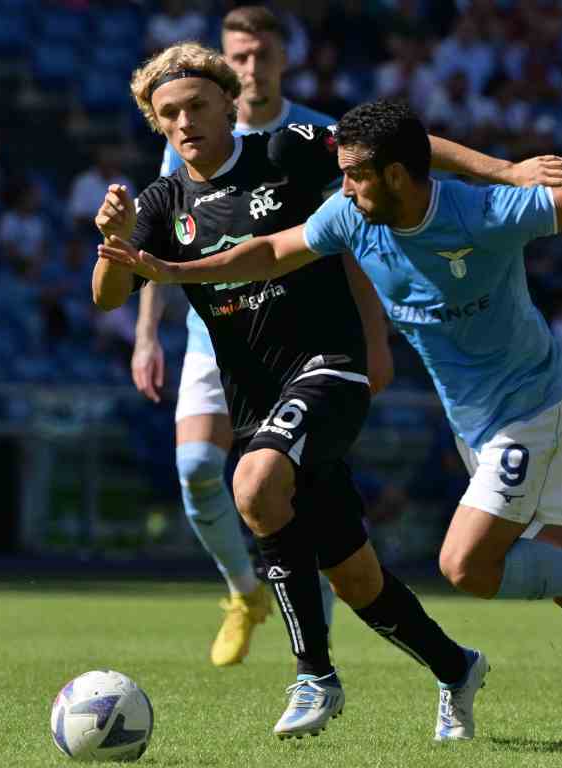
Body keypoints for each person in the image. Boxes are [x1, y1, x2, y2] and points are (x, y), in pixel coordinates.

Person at [98, 98, 562, 766]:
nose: (344, 186)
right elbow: (273, 249)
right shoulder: (350, 215)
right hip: (478, 424)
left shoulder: (487, 213)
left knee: (467, 568)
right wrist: (176, 271)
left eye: (357, 174)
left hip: (539, 407)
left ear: (397, 174)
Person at [92, 42, 562, 741]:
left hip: (329, 367)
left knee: (255, 486)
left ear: (229, 103)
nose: (185, 121)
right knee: (353, 576)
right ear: (157, 126)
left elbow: (401, 146)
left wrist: (506, 170)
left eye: (197, 105)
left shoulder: (286, 149)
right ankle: (455, 666)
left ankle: (314, 676)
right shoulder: (164, 202)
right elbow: (110, 296)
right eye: (168, 114)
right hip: (257, 398)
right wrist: (111, 244)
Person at [130, 4, 351, 670]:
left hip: (296, 331)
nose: (252, 67)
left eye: (262, 55)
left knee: (298, 481)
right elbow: (159, 234)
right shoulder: (186, 128)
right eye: (240, 56)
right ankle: (242, 592)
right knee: (198, 467)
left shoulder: (311, 133)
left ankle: (314, 634)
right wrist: (147, 335)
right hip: (210, 328)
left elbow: (350, 233)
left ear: (284, 57)